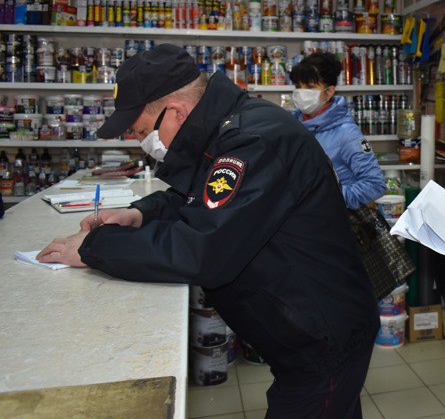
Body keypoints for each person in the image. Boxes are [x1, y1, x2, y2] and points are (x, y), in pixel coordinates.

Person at [37, 43, 379, 419]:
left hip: (321, 341)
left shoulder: (253, 141)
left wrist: (94, 246)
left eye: (140, 132)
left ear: (176, 112)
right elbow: (202, 198)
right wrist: (139, 215)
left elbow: (201, 248)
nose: (140, 143)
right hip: (307, 329)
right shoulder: (229, 128)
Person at [288, 52, 386, 209]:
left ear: (329, 91)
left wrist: (326, 198)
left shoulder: (346, 133)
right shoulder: (291, 125)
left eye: (310, 87)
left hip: (331, 223)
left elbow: (374, 185)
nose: (301, 93)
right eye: (298, 87)